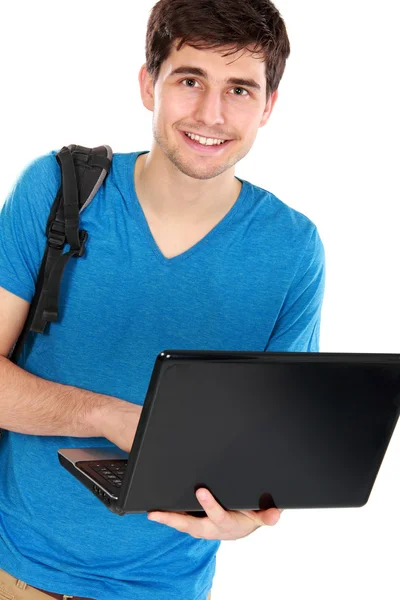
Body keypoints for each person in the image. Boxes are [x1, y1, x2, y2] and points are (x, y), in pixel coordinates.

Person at [0, 0, 325, 599]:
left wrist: (249, 516)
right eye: (190, 79)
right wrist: (110, 417)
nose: (212, 113)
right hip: (16, 574)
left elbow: (272, 444)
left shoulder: (293, 249)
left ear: (269, 106)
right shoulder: (56, 191)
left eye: (240, 90)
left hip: (166, 589)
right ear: (149, 83)